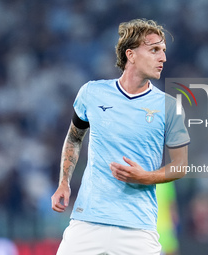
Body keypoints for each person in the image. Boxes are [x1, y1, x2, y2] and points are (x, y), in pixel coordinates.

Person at [51, 18, 190, 255]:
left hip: (138, 228)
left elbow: (181, 165)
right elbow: (74, 137)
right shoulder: (92, 93)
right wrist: (64, 182)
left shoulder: (169, 107)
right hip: (88, 222)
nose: (163, 58)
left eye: (164, 51)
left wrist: (145, 177)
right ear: (131, 54)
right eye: (154, 49)